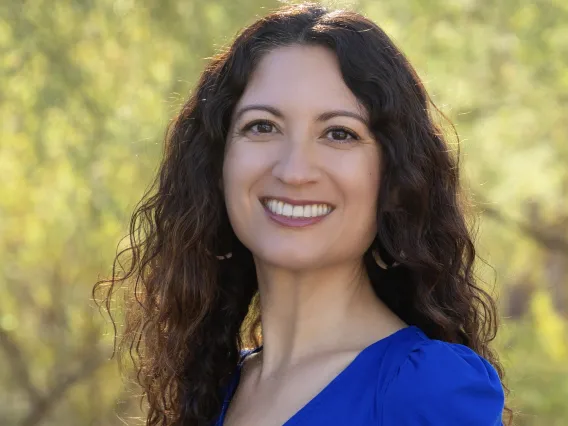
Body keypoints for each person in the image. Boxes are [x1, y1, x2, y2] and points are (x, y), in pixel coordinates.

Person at [94, 2, 511, 425]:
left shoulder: (426, 390)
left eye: (338, 133)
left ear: (394, 180)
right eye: (262, 126)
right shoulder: (214, 391)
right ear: (218, 166)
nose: (294, 171)